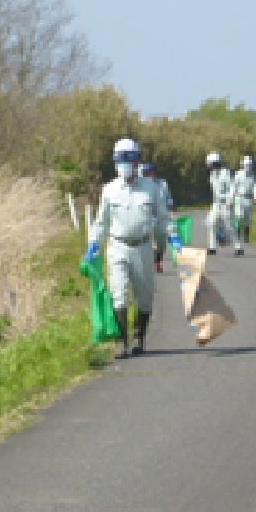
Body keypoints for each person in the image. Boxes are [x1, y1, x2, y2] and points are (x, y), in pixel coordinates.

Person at [86, 138, 169, 359]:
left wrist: (168, 243)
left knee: (144, 297)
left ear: (137, 160)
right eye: (120, 159)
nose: (125, 163)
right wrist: (94, 245)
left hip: (142, 246)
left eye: (128, 158)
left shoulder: (152, 189)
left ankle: (140, 338)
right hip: (117, 247)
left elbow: (162, 220)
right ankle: (123, 342)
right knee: (119, 295)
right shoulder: (109, 190)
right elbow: (101, 223)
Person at [140, 162, 175, 273]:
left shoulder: (163, 184)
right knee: (149, 242)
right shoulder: (141, 185)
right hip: (148, 218)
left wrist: (172, 210)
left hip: (162, 217)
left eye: (150, 172)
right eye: (146, 173)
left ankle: (159, 261)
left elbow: (168, 198)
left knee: (161, 243)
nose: (148, 175)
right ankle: (154, 264)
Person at [205, 151, 237, 256]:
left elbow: (232, 188)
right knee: (211, 223)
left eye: (210, 164)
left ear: (214, 163)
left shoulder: (226, 173)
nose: (208, 166)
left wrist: (230, 201)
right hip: (216, 203)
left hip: (226, 203)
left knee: (230, 224)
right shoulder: (212, 175)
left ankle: (238, 247)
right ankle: (212, 247)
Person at [232, 155, 256, 253]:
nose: (248, 167)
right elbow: (233, 187)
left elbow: (255, 187)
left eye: (249, 165)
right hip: (239, 198)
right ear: (243, 165)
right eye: (246, 165)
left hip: (249, 199)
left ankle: (246, 233)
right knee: (239, 216)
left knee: (248, 219)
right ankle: (238, 233)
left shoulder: (253, 176)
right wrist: (230, 199)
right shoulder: (238, 175)